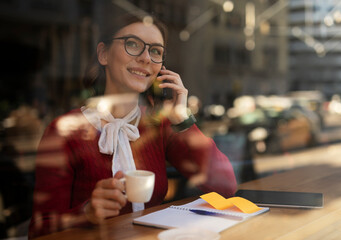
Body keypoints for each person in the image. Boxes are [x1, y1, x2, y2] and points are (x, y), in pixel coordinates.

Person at [28, 13, 237, 238]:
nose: (146, 58)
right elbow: (39, 232)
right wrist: (87, 213)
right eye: (133, 44)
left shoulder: (160, 125)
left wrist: (182, 119)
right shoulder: (64, 131)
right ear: (103, 54)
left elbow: (225, 186)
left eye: (156, 51)